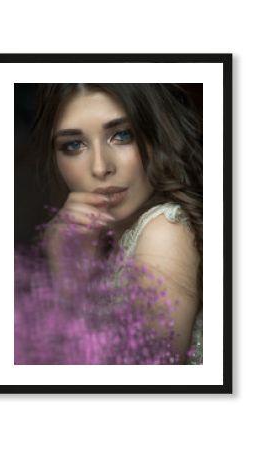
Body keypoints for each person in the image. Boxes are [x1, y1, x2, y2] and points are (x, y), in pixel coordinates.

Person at [27, 83, 203, 365]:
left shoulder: (165, 227)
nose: (100, 167)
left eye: (122, 135)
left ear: (158, 134)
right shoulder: (102, 245)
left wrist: (68, 283)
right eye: (74, 145)